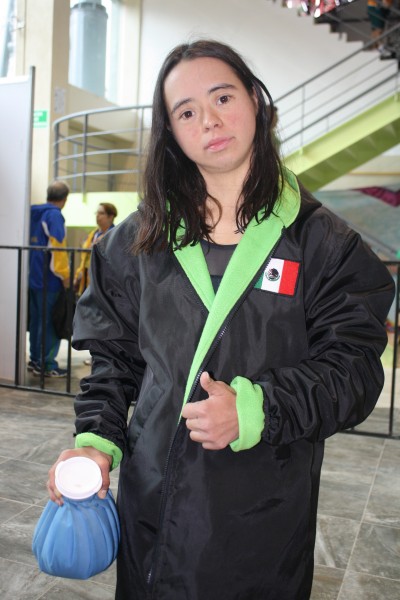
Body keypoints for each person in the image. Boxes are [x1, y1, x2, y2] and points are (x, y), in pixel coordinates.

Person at [47, 40, 395, 599]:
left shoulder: (324, 243)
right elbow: (113, 365)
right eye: (185, 111)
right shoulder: (134, 244)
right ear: (171, 133)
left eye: (222, 96)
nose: (207, 119)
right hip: (152, 510)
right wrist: (95, 442)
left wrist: (259, 406)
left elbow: (354, 370)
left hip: (262, 518)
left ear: (256, 102)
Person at [28, 180, 70, 378]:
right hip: (50, 278)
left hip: (33, 277)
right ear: (64, 199)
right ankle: (47, 364)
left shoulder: (32, 212)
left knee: (37, 320)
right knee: (51, 322)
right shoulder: (54, 216)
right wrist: (65, 275)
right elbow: (58, 249)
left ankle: (35, 359)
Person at [73, 202, 118, 298]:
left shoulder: (115, 235)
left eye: (101, 213)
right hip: (87, 276)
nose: (97, 216)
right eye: (96, 213)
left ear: (111, 216)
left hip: (103, 280)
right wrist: (78, 275)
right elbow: (84, 258)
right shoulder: (93, 234)